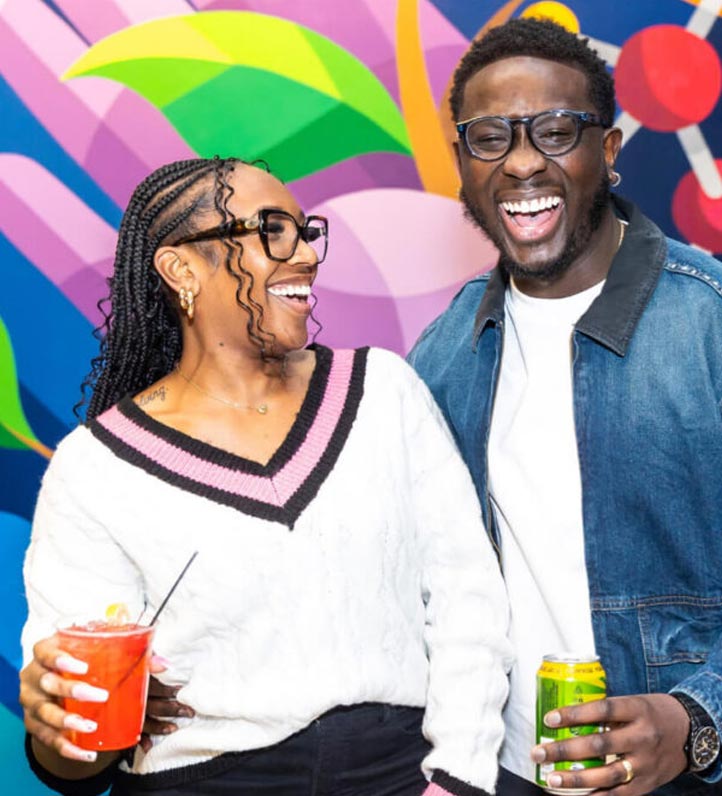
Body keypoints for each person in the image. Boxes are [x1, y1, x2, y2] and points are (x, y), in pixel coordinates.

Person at [19, 157, 513, 796]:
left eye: (305, 233)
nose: (305, 255)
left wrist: (457, 779)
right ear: (181, 269)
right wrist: (61, 727)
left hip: (400, 775)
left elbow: (469, 604)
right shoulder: (96, 468)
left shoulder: (382, 391)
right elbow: (78, 753)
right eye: (272, 231)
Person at [408, 16, 722, 796]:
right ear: (462, 163)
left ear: (607, 152)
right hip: (506, 775)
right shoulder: (442, 354)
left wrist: (698, 720)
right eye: (490, 138)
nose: (521, 163)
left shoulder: (710, 323)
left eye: (553, 131)